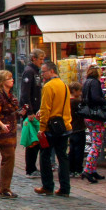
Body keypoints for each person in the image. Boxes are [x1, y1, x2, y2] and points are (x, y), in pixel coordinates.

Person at [35, 61, 72, 197]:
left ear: (51, 71)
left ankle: (47, 186)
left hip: (51, 127)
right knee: (62, 157)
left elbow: (45, 109)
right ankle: (65, 188)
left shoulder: (48, 86)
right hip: (64, 125)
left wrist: (42, 128)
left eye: (43, 72)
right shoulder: (64, 85)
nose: (42, 74)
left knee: (45, 156)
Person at [0, 70, 21, 199]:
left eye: (12, 78)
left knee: (9, 159)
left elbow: (11, 112)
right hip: (2, 132)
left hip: (11, 131)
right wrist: (2, 125)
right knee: (9, 158)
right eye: (9, 78)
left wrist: (21, 112)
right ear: (2, 81)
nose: (12, 80)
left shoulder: (10, 95)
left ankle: (5, 188)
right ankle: (4, 188)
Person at [81, 66, 106, 183]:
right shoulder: (95, 83)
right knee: (97, 144)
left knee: (94, 141)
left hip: (88, 117)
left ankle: (92, 169)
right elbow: (96, 97)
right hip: (95, 117)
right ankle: (88, 169)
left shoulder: (86, 82)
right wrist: (105, 100)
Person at [20, 49, 45, 177]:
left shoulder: (36, 72)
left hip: (36, 110)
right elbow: (25, 94)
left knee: (36, 140)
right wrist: (29, 111)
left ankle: (33, 167)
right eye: (40, 58)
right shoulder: (29, 72)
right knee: (32, 141)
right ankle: (30, 168)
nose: (42, 61)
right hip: (32, 112)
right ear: (33, 58)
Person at [67, 81, 85, 178]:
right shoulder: (77, 102)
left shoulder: (67, 102)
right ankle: (78, 169)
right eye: (79, 91)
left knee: (72, 149)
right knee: (79, 150)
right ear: (74, 91)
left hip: (71, 129)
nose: (81, 93)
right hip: (78, 128)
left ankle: (71, 169)